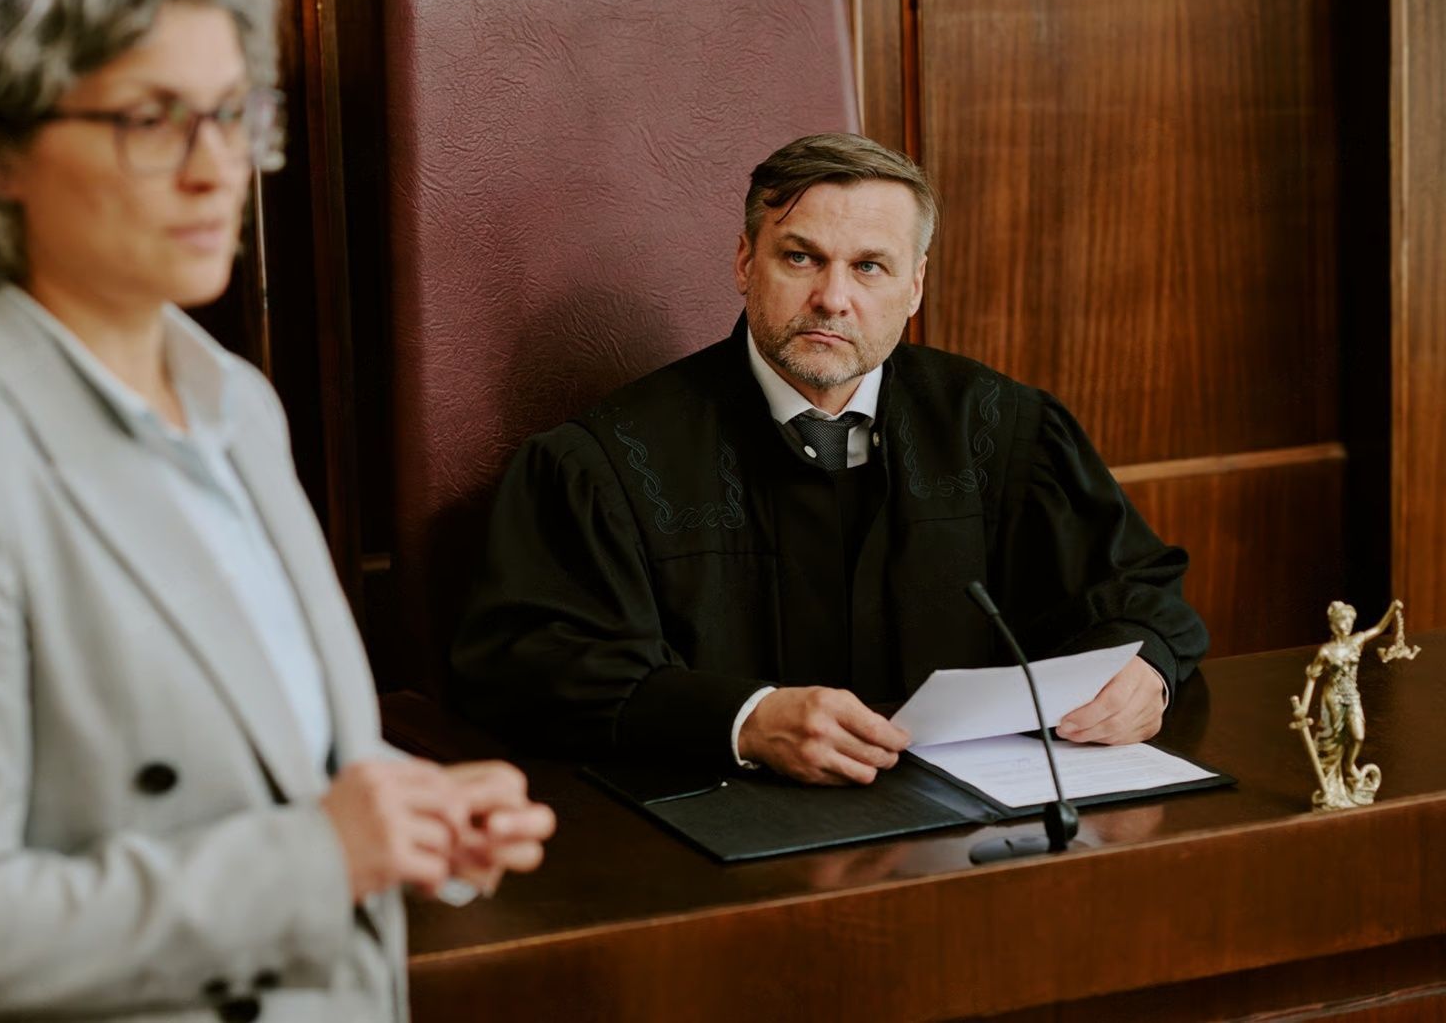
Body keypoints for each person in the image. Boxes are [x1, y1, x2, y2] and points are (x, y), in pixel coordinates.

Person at [0, 0, 552, 1020]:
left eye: (231, 114)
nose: (215, 166)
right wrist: (317, 857)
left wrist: (416, 818)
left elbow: (284, 768)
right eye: (149, 118)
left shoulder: (239, 404)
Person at [452, 133, 1209, 786]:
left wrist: (1145, 672)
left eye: (870, 267)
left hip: (969, 838)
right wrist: (744, 719)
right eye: (801, 257)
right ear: (746, 262)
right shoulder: (608, 463)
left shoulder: (1002, 428)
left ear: (915, 285)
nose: (832, 298)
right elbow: (530, 668)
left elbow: (1136, 591)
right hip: (714, 847)